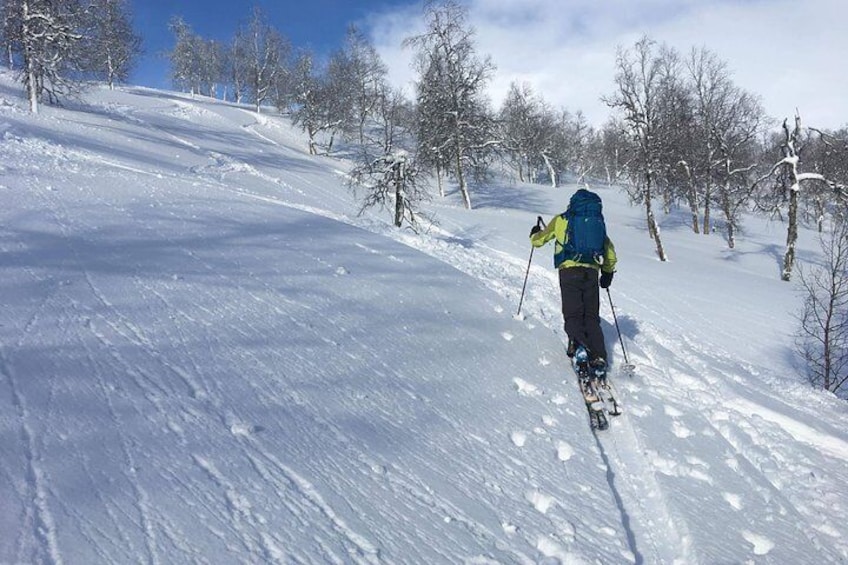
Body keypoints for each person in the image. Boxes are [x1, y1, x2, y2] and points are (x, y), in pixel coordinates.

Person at [529, 188, 617, 375]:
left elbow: (538, 241)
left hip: (569, 271)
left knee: (573, 313)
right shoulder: (597, 223)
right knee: (591, 316)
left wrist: (534, 233)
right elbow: (608, 249)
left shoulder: (562, 219)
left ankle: (580, 349)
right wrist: (607, 273)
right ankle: (599, 356)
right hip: (591, 272)